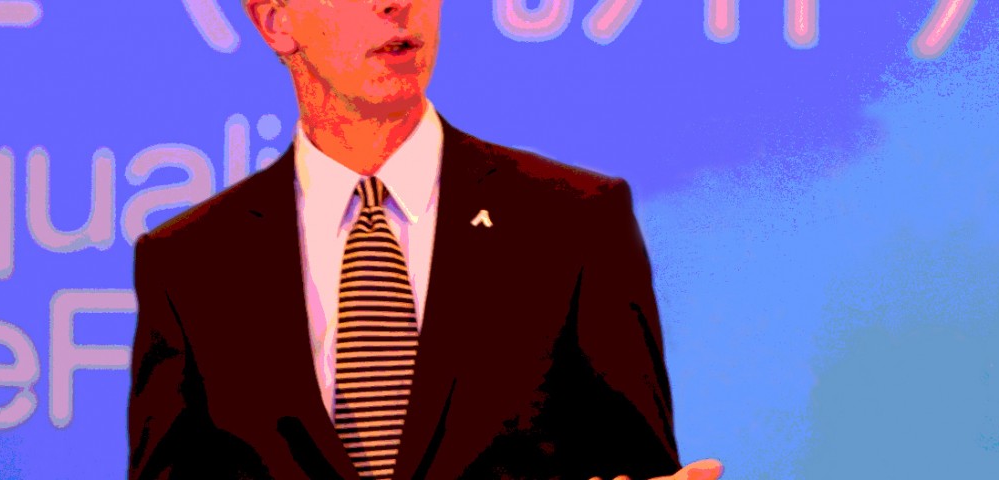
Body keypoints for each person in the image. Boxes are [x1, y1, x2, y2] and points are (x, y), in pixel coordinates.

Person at [128, 1, 723, 478]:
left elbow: (634, 465)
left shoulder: (575, 221)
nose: (396, 5)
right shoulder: (188, 261)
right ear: (276, 22)